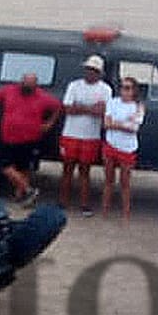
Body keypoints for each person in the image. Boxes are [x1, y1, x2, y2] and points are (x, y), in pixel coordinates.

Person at [0, 72, 62, 205]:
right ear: (21, 82)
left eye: (31, 85)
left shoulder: (43, 97)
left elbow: (58, 106)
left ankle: (22, 195)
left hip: (30, 138)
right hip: (9, 137)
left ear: (36, 85)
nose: (27, 87)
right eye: (25, 83)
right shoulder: (9, 91)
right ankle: (27, 190)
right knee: (5, 166)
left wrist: (49, 123)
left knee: (24, 168)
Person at [59, 55, 112, 216]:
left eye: (93, 70)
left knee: (85, 171)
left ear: (99, 73)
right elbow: (68, 109)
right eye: (88, 69)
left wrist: (80, 107)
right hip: (70, 134)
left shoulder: (105, 89)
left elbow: (103, 112)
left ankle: (84, 204)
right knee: (67, 169)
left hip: (90, 136)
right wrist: (91, 109)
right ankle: (63, 202)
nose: (89, 72)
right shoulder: (74, 85)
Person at [102, 76, 146, 224]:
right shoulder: (112, 102)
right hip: (111, 144)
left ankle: (125, 213)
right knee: (108, 180)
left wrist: (116, 124)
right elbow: (106, 124)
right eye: (122, 87)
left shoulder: (138, 106)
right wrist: (124, 124)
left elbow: (134, 128)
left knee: (125, 182)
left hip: (127, 148)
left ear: (134, 91)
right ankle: (105, 210)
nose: (124, 91)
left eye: (127, 88)